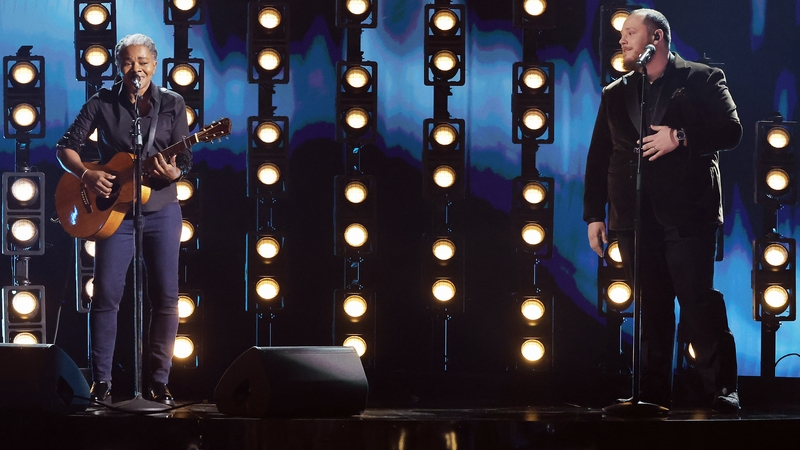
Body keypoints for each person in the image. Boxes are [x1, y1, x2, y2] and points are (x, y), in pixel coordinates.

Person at [583, 9, 741, 412]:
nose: (622, 40)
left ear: (657, 37)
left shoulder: (702, 78)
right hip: (634, 215)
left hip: (688, 213)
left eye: (630, 33)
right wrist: (594, 215)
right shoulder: (616, 92)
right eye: (621, 35)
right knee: (650, 306)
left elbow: (731, 130)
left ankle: (721, 391)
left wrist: (680, 136)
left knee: (697, 302)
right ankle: (650, 395)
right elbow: (600, 155)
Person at [57, 34, 192, 406]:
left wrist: (174, 174)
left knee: (166, 298)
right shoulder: (102, 101)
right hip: (114, 215)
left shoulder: (173, 104)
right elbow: (65, 146)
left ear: (155, 62)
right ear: (120, 66)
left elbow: (187, 160)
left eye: (144, 62)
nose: (138, 70)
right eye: (130, 63)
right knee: (106, 298)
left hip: (162, 210)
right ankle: (101, 382)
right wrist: (86, 175)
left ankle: (158, 382)